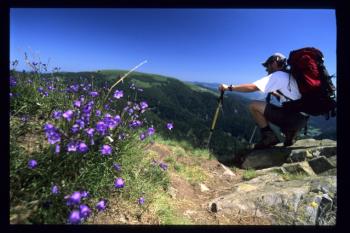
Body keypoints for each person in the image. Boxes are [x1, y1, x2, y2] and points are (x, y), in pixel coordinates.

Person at [219, 52, 309, 149]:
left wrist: (229, 87)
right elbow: (291, 98)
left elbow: (253, 87)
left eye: (268, 65)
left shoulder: (277, 76)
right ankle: (290, 133)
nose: (266, 68)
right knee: (283, 112)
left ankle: (269, 137)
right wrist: (276, 94)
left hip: (292, 119)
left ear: (274, 63)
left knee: (253, 105)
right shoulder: (290, 76)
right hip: (302, 119)